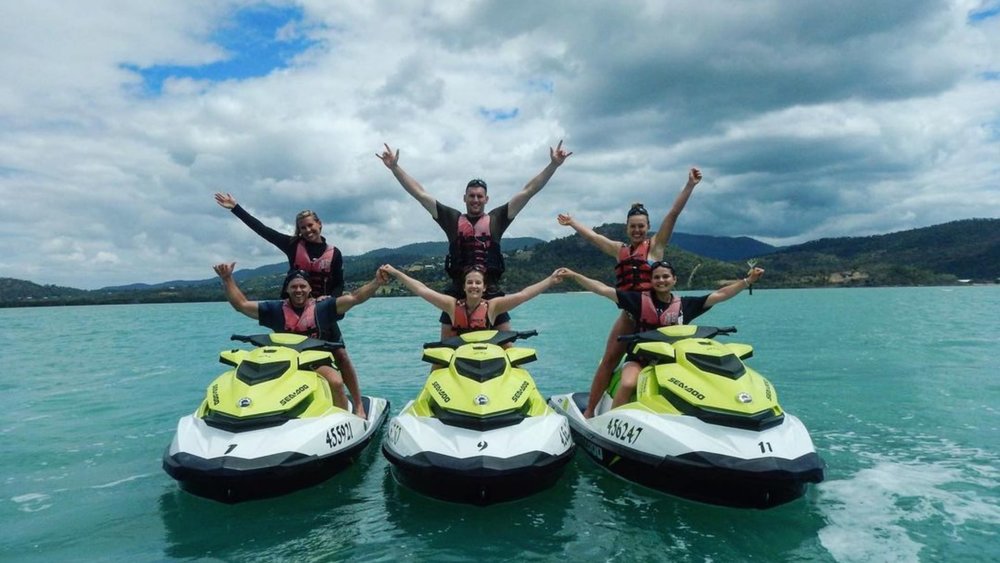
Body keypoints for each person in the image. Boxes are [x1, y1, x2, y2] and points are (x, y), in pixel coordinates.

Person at [376, 141, 573, 338]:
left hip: (491, 291)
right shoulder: (452, 220)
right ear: (464, 198)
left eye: (480, 196)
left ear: (486, 199)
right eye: (471, 196)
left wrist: (553, 165)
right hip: (457, 292)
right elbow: (420, 194)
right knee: (445, 349)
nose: (475, 200)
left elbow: (528, 191)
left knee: (507, 344)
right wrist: (395, 168)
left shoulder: (497, 220)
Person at [558, 167, 702, 418]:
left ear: (648, 227)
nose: (637, 230)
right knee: (608, 360)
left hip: (657, 317)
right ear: (626, 228)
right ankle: (590, 411)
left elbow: (673, 213)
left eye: (641, 226)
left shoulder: (655, 247)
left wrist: (689, 185)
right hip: (630, 316)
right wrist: (572, 223)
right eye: (633, 226)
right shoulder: (619, 250)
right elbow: (593, 237)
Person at [213, 193, 362, 417]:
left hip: (321, 313)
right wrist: (236, 208)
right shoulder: (293, 245)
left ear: (319, 224)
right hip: (292, 310)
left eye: (310, 225)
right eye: (302, 228)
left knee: (341, 356)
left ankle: (358, 405)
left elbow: (339, 283)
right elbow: (263, 230)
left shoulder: (335, 253)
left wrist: (330, 300)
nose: (307, 230)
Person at [563, 262, 764, 411]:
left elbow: (721, 295)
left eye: (665, 276)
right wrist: (574, 275)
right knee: (628, 383)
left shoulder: (686, 305)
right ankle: (612, 421)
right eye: (657, 277)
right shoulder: (638, 301)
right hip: (640, 360)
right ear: (651, 281)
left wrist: (747, 281)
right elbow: (602, 289)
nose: (661, 280)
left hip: (673, 362)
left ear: (674, 279)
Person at [213, 262, 389, 419]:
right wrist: (227, 279)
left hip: (314, 362)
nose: (298, 290)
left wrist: (376, 283)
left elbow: (355, 298)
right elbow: (242, 305)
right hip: (283, 364)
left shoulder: (323, 307)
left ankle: (347, 417)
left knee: (336, 381)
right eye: (294, 287)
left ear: (310, 288)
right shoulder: (275, 310)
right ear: (287, 290)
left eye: (303, 286)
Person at [379, 264, 568, 335]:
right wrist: (396, 273)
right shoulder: (451, 306)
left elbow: (523, 295)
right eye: (470, 282)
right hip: (460, 358)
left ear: (484, 287)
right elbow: (422, 289)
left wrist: (550, 280)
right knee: (436, 365)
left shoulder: (493, 306)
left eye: (478, 283)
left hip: (487, 359)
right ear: (464, 287)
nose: (474, 286)